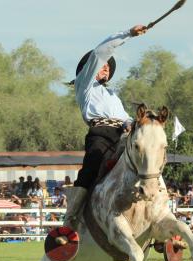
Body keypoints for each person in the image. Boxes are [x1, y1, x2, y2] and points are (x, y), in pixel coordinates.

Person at [60, 23, 149, 228]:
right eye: (103, 65)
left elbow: (124, 117)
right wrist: (128, 34)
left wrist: (134, 123)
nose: (106, 67)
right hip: (100, 134)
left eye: (108, 66)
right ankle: (71, 218)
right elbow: (101, 52)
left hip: (122, 136)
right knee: (92, 166)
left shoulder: (112, 95)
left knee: (144, 161)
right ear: (90, 69)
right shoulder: (85, 85)